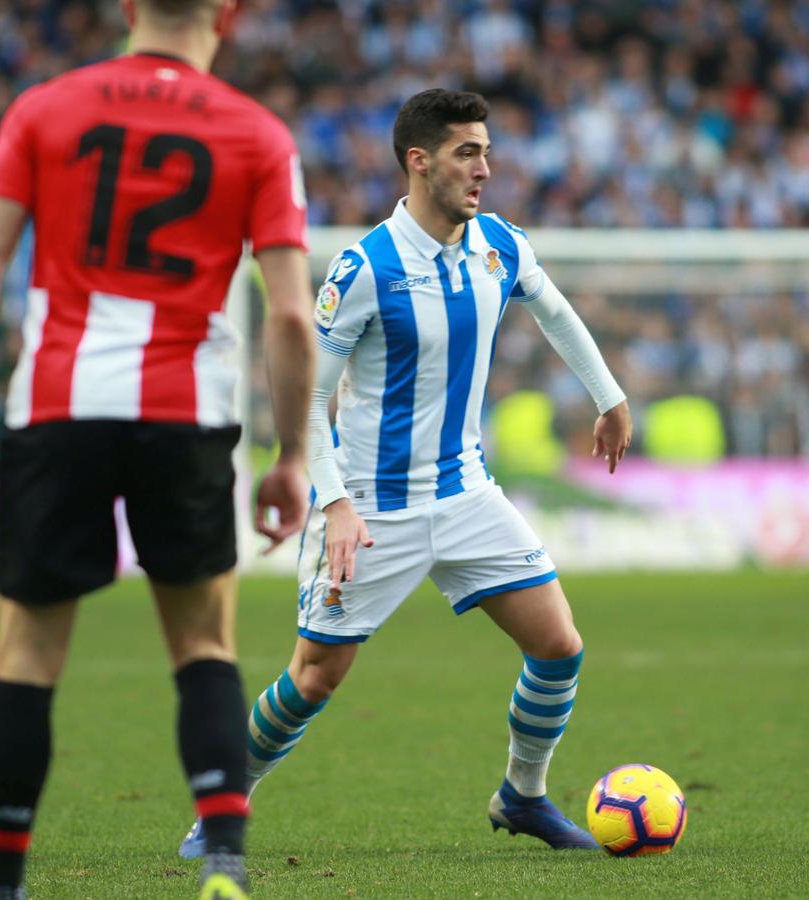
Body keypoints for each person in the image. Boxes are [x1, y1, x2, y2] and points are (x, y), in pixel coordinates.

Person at [178, 88, 633, 858]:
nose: (484, 168)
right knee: (314, 679)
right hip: (370, 509)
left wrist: (609, 396)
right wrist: (333, 505)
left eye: (487, 151)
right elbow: (307, 398)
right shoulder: (364, 269)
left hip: (464, 494)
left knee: (558, 644)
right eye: (467, 153)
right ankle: (222, 811)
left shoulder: (500, 245)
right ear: (419, 163)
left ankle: (521, 796)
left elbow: (554, 311)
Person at [0, 1, 315, 897]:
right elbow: (293, 313)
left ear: (127, 6)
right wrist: (291, 454)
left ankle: (2, 886)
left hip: (58, 402)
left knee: (27, 653)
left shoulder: (45, 107)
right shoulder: (256, 133)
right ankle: (223, 865)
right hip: (183, 412)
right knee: (203, 646)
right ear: (229, 13)